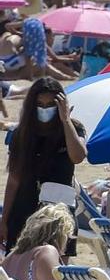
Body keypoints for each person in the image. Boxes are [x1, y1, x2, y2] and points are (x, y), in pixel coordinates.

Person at [4, 78, 86, 251]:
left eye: (50, 105)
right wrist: (4, 221)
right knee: (18, 269)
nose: (44, 109)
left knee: (55, 271)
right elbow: (14, 180)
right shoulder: (22, 133)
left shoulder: (73, 128)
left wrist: (65, 121)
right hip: (24, 208)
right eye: (40, 104)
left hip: (58, 213)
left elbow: (78, 156)